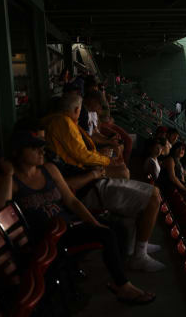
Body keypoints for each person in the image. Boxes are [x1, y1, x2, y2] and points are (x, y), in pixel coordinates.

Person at [0, 129, 156, 305]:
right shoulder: (10, 180)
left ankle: (117, 276)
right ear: (17, 151)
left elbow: (72, 202)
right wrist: (8, 174)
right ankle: (122, 286)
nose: (41, 151)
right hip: (47, 237)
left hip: (67, 225)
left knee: (114, 229)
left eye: (41, 147)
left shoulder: (49, 169)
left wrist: (94, 224)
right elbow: (0, 209)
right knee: (107, 234)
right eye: (34, 148)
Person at [42, 97, 164, 270]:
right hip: (89, 187)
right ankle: (139, 254)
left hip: (91, 180)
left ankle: (136, 244)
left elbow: (83, 151)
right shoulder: (62, 122)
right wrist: (104, 161)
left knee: (152, 193)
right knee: (153, 198)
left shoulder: (58, 123)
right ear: (76, 110)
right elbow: (81, 155)